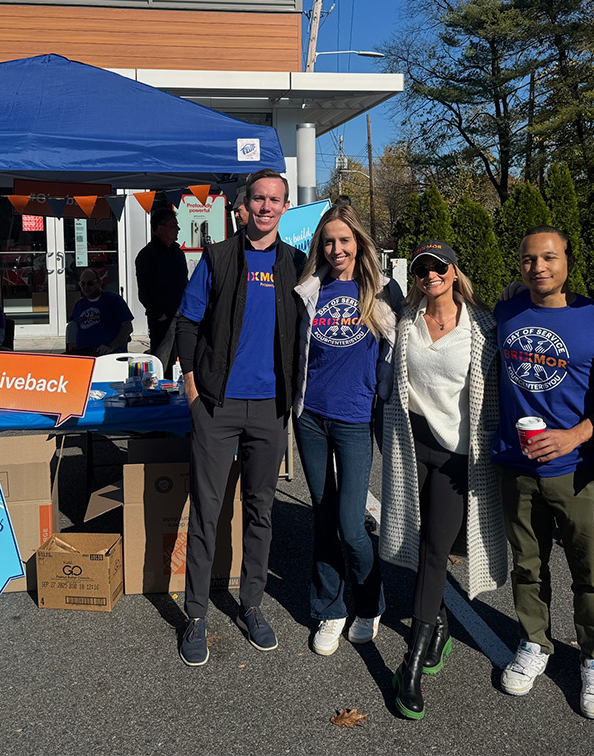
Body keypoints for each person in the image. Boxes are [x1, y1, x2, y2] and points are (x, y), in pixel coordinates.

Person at [173, 168, 308, 666]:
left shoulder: (297, 264)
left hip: (271, 409)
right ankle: (196, 615)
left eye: (275, 200)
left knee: (260, 509)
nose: (266, 207)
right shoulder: (218, 257)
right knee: (207, 510)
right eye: (258, 199)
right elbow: (187, 322)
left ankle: (251, 604)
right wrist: (191, 386)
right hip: (217, 404)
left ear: (284, 207)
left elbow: (345, 300)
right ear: (242, 205)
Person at [377, 240, 506, 720]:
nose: (430, 275)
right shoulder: (405, 322)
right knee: (420, 545)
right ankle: (438, 625)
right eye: (422, 269)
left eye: (439, 267)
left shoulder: (482, 327)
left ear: (455, 272)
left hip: (458, 457)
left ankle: (410, 661)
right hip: (413, 448)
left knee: (436, 549)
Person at [491, 227, 594, 721]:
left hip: (575, 467)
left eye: (548, 257)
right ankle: (534, 641)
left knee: (589, 569)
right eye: (528, 259)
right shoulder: (505, 311)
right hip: (516, 465)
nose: (538, 267)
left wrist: (576, 435)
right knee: (527, 563)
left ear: (567, 260)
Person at [290, 203, 402, 657]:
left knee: (352, 524)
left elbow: (432, 314)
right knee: (322, 514)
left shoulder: (382, 290)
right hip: (310, 416)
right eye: (329, 241)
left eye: (345, 240)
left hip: (355, 419)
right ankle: (330, 608)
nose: (337, 249)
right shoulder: (308, 289)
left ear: (359, 242)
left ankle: (369, 603)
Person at [136, 207, 189, 377]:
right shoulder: (147, 255)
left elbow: (183, 282)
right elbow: (144, 290)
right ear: (160, 229)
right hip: (163, 317)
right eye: (174, 226)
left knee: (182, 358)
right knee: (162, 359)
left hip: (181, 314)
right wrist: (159, 313)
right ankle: (159, 390)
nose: (178, 230)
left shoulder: (177, 253)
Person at [65, 267, 133, 356]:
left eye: (90, 283)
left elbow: (128, 327)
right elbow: (73, 328)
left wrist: (111, 346)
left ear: (99, 283)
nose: (86, 287)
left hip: (109, 353)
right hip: (84, 354)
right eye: (82, 284)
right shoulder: (79, 304)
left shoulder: (114, 300)